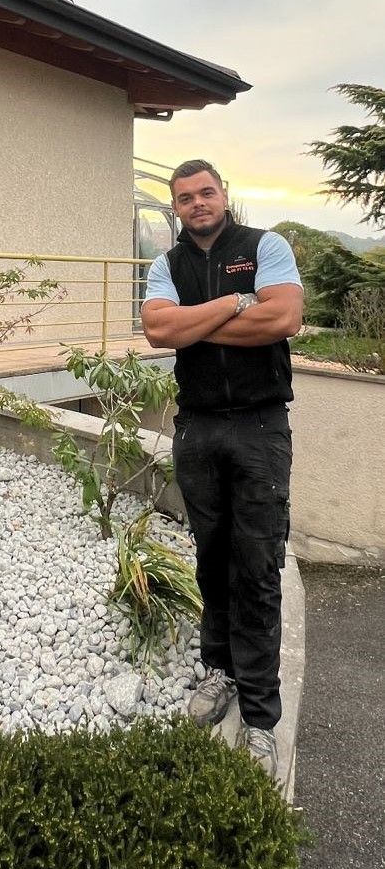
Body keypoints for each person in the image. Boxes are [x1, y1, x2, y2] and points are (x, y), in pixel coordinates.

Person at [140, 159, 303, 778]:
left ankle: (261, 715)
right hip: (199, 427)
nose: (197, 203)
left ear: (223, 195)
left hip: (260, 427)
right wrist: (237, 304)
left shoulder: (265, 246)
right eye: (185, 197)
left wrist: (196, 325)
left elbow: (283, 318)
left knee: (258, 567)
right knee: (210, 556)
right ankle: (218, 669)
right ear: (177, 208)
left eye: (206, 192)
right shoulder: (167, 264)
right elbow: (158, 330)